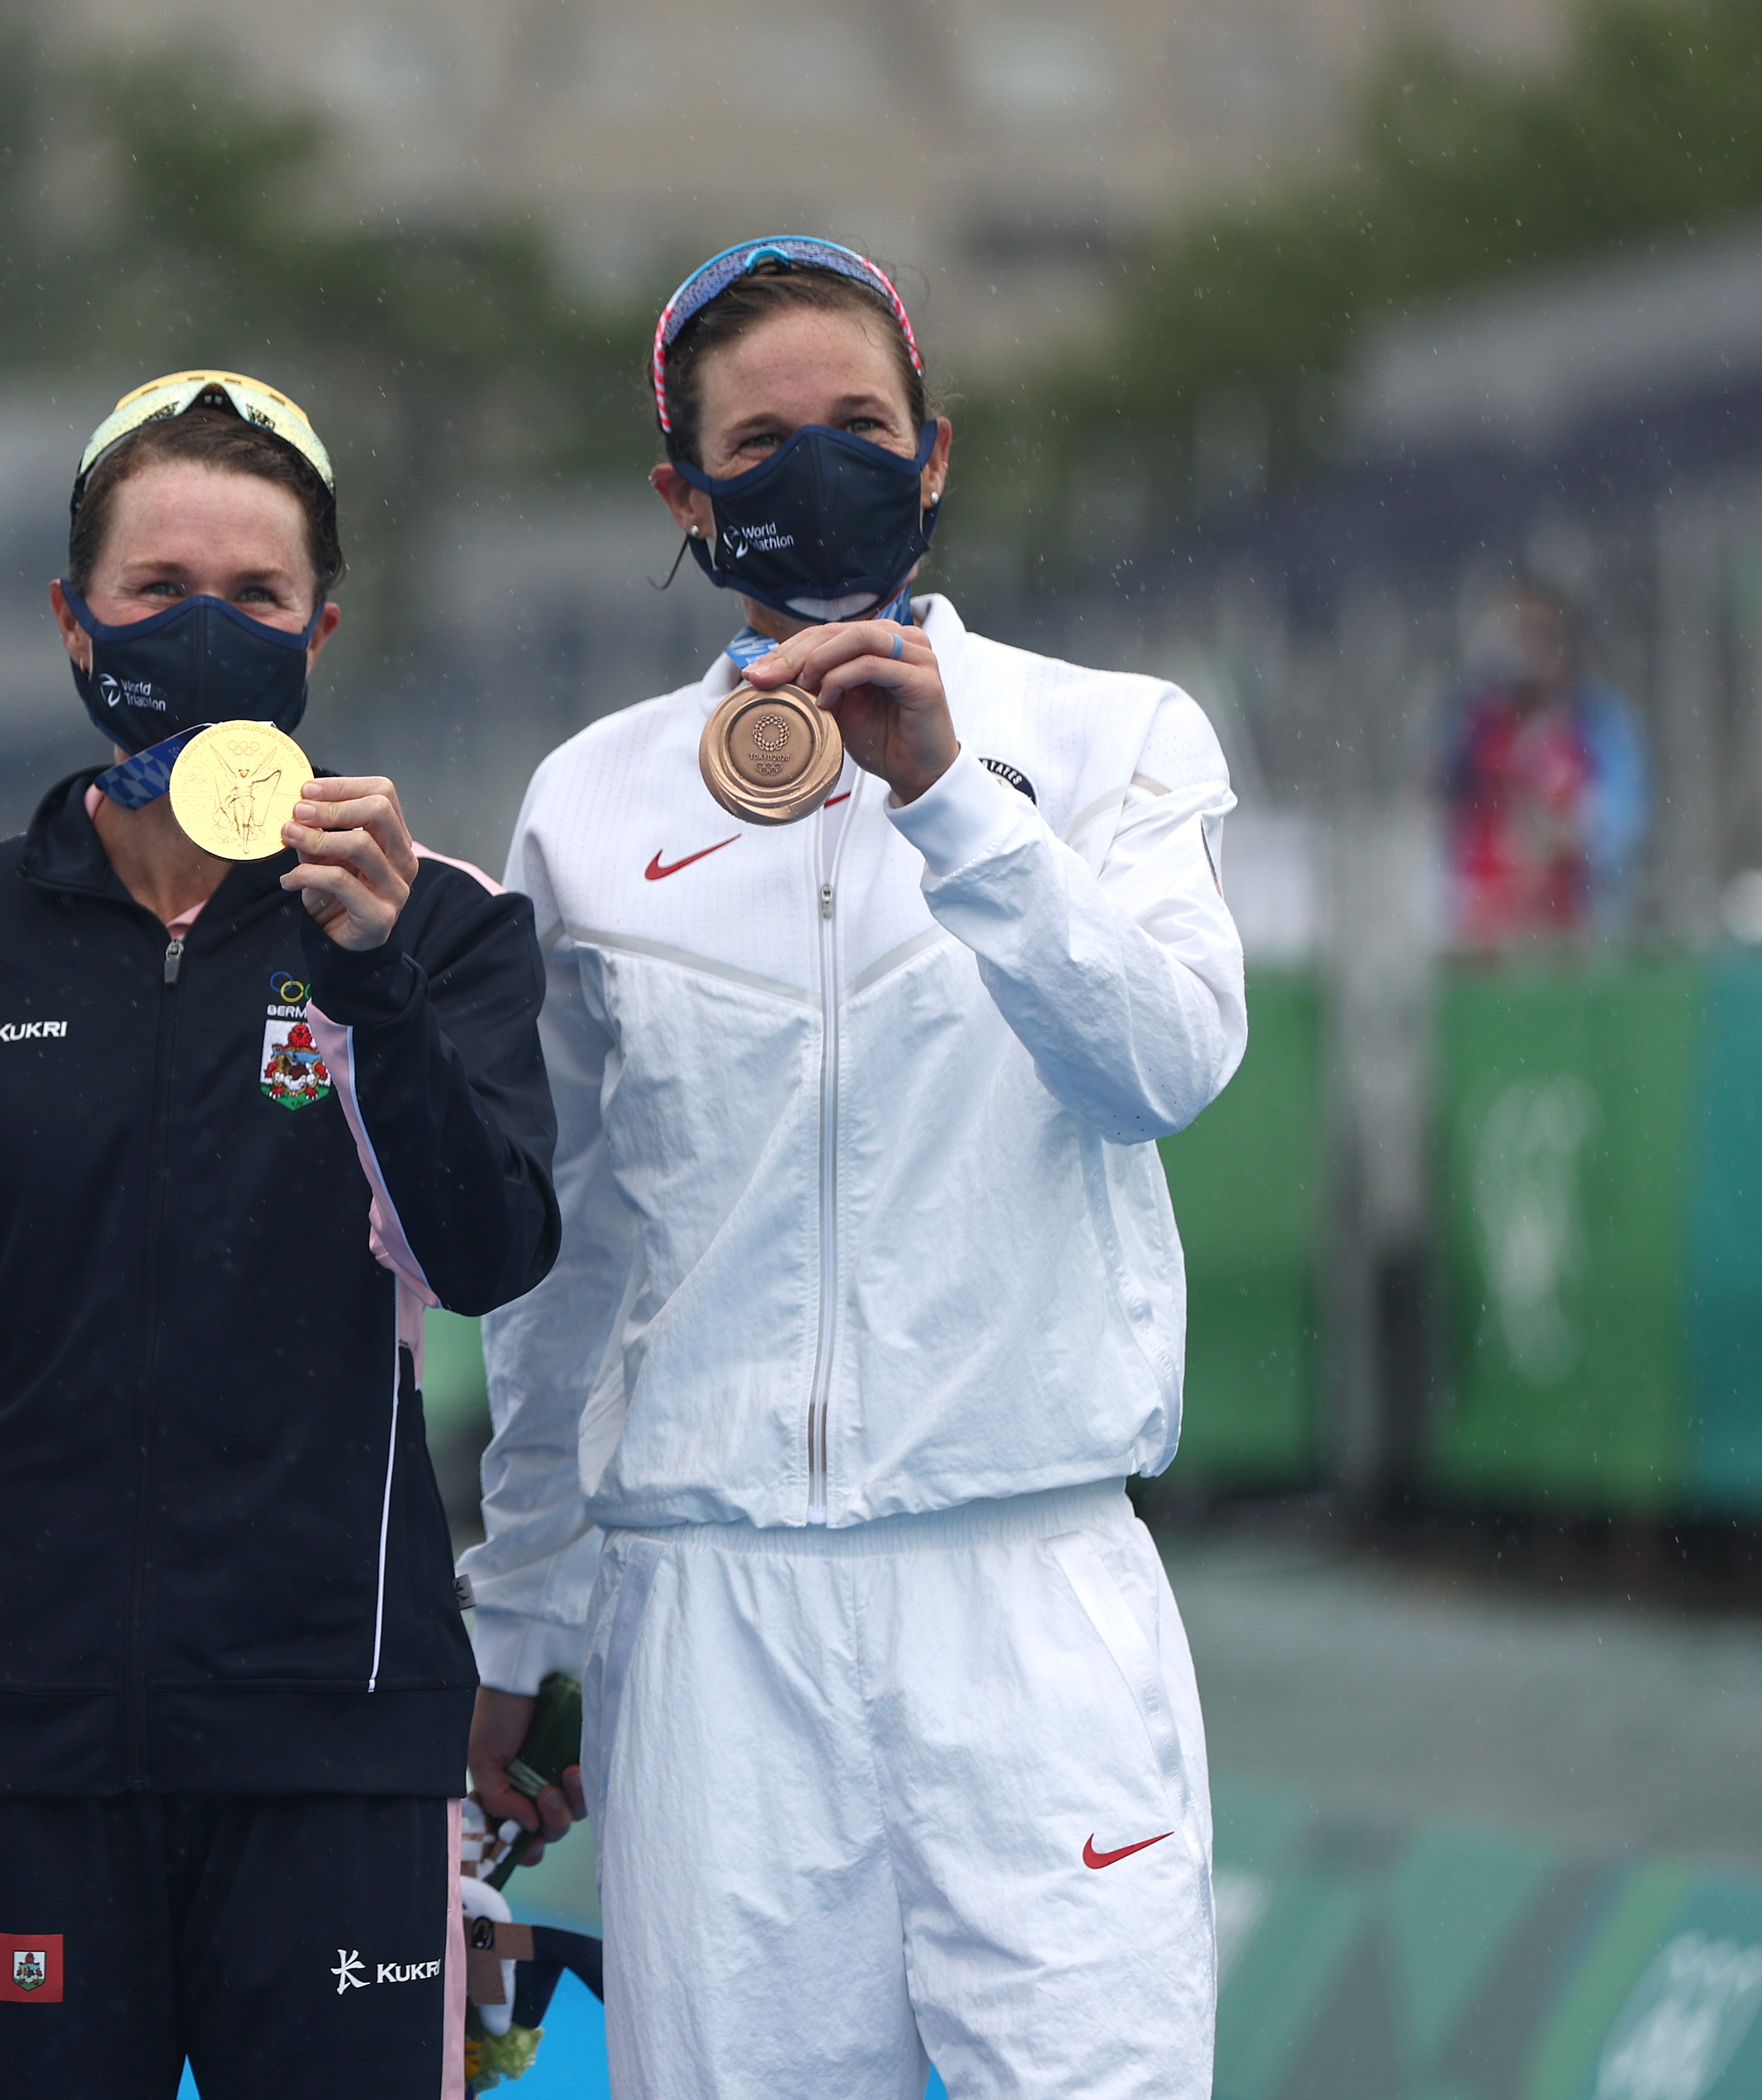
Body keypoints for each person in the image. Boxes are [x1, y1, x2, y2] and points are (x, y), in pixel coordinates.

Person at [462, 238, 1248, 2097]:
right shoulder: (589, 805)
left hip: (1030, 1594)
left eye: (858, 425)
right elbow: (565, 1267)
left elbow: (1164, 1060)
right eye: (759, 438)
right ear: (682, 492)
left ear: (933, 453)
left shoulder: (1109, 738)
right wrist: (520, 1609)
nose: (814, 466)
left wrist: (949, 799)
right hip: (713, 1621)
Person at [0, 371, 561, 2099]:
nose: (207, 629)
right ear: (73, 618)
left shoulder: (442, 925)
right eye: (160, 590)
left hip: (334, 1738)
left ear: (324, 624)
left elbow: (489, 1253)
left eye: (254, 597)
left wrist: (372, 980)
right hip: (15, 1751)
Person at [1442, 575, 1648, 943]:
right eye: (1514, 635)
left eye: (1540, 635)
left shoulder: (1597, 722)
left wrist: (1570, 831)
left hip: (1571, 929)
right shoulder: (1472, 725)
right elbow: (1438, 809)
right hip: (1484, 928)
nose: (1526, 651)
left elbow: (1622, 822)